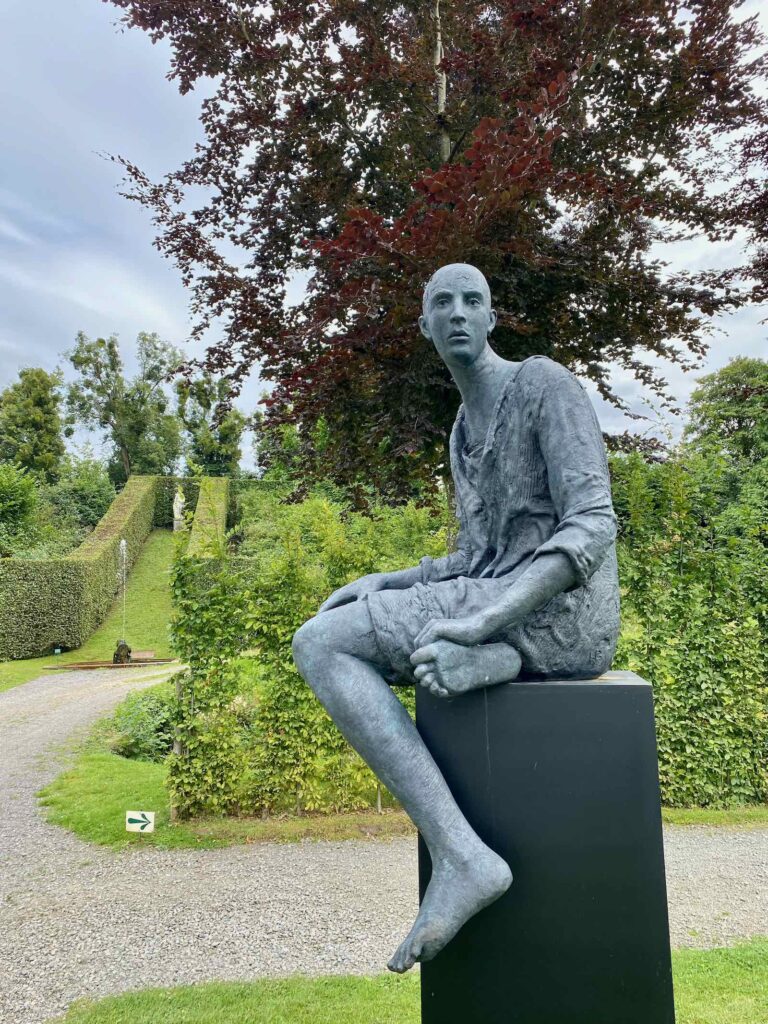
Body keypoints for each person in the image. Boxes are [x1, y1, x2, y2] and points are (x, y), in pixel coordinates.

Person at [292, 263, 620, 973]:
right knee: (409, 647)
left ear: (493, 318)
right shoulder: (461, 431)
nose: (459, 312)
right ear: (425, 326)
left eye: (474, 300)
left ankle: (463, 853)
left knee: (320, 645)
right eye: (443, 302)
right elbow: (475, 556)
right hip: (502, 601)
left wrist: (481, 621)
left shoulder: (545, 385)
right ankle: (494, 661)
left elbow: (593, 523)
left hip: (568, 617)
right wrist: (384, 580)